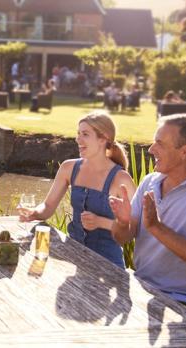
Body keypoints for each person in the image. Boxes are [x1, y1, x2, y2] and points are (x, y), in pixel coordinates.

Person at [110, 114, 186, 320]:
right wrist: (122, 222)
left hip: (184, 303)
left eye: (160, 143)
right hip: (142, 288)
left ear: (185, 151)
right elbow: (122, 237)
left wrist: (156, 227)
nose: (151, 149)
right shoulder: (149, 182)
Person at [19, 111, 136, 268]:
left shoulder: (121, 179)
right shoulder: (69, 168)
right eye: (78, 133)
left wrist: (100, 222)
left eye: (85, 134)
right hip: (72, 257)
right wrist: (35, 212)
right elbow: (47, 207)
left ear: (103, 138)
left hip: (108, 266)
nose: (78, 139)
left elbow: (134, 229)